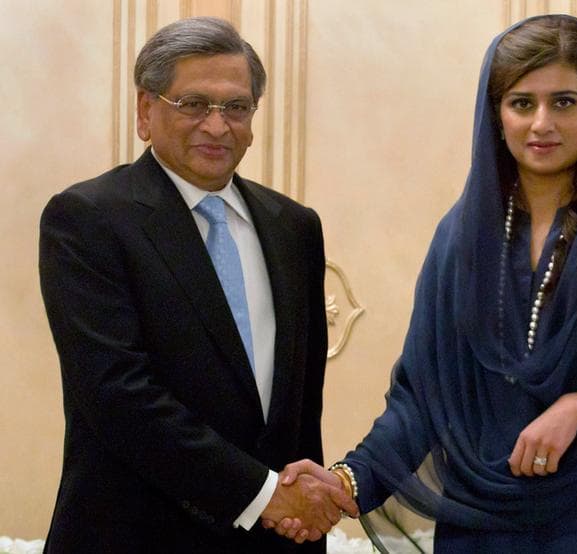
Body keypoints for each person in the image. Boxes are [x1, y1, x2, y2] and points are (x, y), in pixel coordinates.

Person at [269, 14, 577, 553]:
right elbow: (421, 400)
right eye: (522, 103)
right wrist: (347, 480)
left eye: (565, 102)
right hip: (474, 530)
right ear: (496, 116)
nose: (541, 123)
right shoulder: (461, 237)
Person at [38, 16, 356, 553]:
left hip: (273, 538)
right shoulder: (87, 219)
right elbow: (119, 396)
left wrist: (300, 516)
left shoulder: (294, 227)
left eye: (236, 106)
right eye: (193, 104)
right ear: (146, 111)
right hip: (134, 534)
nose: (217, 125)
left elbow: (300, 411)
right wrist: (262, 495)